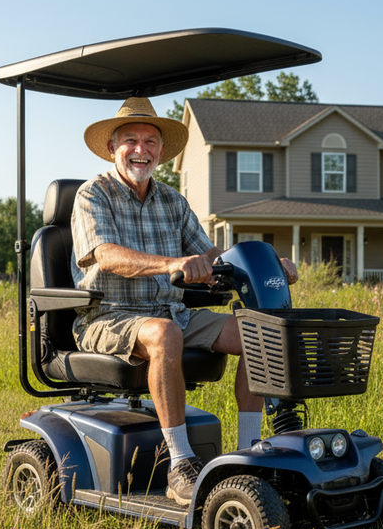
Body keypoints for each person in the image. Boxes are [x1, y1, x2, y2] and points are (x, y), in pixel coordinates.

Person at [70, 97, 298, 505]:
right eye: (131, 141)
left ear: (161, 150)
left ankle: (250, 453)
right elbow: (105, 255)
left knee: (260, 333)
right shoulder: (93, 195)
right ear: (112, 148)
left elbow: (212, 257)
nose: (142, 150)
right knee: (164, 333)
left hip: (170, 311)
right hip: (108, 316)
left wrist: (269, 264)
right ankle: (181, 462)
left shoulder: (173, 201)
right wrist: (174, 263)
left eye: (151, 142)